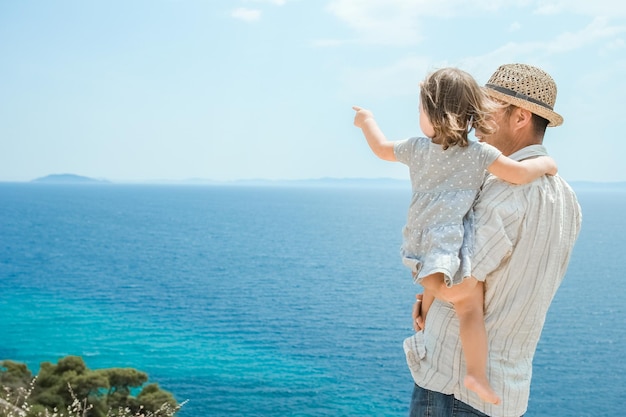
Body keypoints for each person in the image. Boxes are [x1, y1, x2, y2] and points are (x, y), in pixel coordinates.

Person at [352, 67, 558, 405]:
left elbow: (380, 148)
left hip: (422, 255)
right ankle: (476, 374)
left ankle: (468, 369)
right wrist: (547, 165)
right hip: (449, 261)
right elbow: (521, 173)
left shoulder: (417, 149)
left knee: (458, 296)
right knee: (469, 307)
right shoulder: (483, 157)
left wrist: (367, 120)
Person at [405, 63, 582, 417]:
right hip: (506, 392)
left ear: (520, 117)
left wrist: (428, 291)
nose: (474, 118)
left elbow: (460, 283)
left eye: (487, 108)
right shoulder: (568, 200)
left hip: (452, 390)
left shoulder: (504, 192)